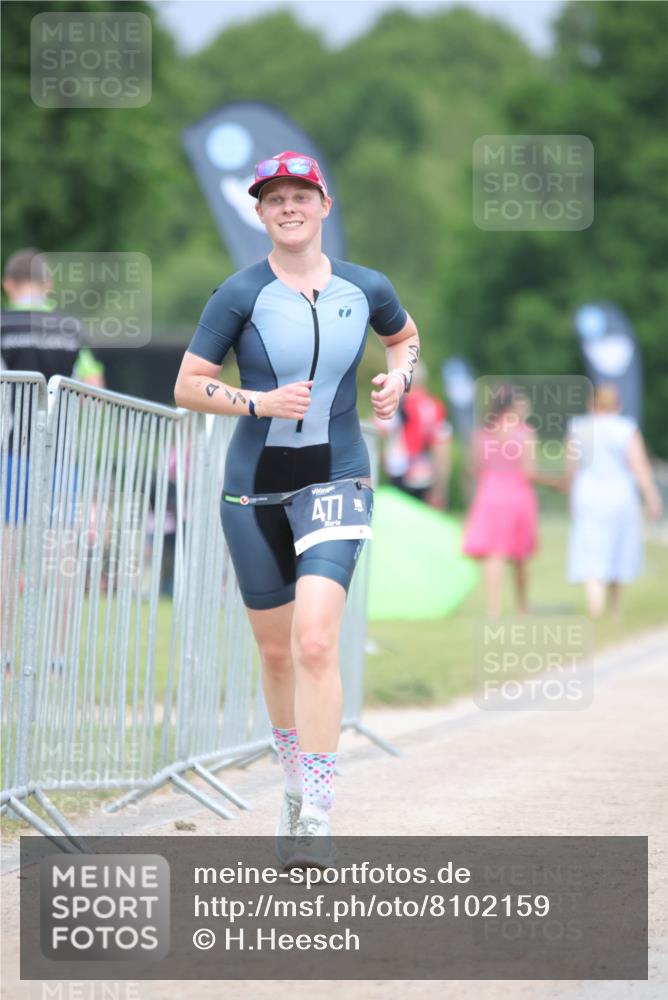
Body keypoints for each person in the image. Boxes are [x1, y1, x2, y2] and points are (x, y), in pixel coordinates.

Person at [174, 151, 419, 865]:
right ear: (260, 212)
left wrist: (398, 379)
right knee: (277, 653)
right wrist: (256, 401)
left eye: (300, 196)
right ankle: (289, 787)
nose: (288, 207)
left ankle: (316, 811)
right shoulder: (238, 294)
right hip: (252, 487)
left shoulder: (365, 286)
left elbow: (404, 339)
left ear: (324, 205)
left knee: (316, 641)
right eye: (274, 198)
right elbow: (189, 384)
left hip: (338, 476)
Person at [566, 383, 662, 617]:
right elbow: (639, 466)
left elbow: (571, 468)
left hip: (587, 495)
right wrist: (651, 496)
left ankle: (595, 604)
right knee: (619, 549)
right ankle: (614, 608)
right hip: (620, 496)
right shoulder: (625, 428)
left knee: (591, 550)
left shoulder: (578, 427)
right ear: (616, 404)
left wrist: (570, 494)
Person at [462, 386, 538, 616]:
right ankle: (522, 606)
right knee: (519, 556)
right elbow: (529, 471)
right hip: (517, 494)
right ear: (513, 406)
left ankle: (493, 608)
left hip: (489, 493)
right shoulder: (525, 433)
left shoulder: (483, 433)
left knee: (494, 554)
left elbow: (474, 466)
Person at [375, 359, 451, 508]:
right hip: (426, 471)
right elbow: (442, 450)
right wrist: (441, 488)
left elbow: (375, 432)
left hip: (401, 471)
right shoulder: (435, 405)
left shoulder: (398, 403)